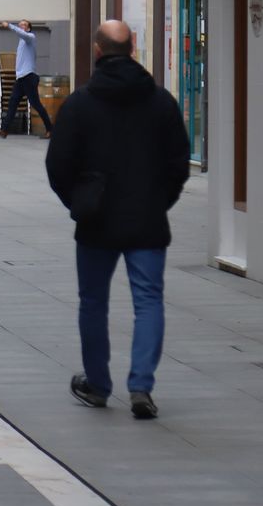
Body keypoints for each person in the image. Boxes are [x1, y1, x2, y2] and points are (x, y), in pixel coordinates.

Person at [45, 21, 190, 421]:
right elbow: (180, 162)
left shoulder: (79, 104)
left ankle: (97, 384)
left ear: (97, 51)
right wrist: (161, 200)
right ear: (134, 48)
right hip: (147, 220)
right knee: (149, 302)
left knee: (93, 303)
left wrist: (78, 201)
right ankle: (141, 386)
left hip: (96, 221)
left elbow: (58, 165)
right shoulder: (161, 102)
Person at [0, 19, 53, 138]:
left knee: (36, 104)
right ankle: (4, 130)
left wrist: (9, 25)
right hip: (21, 78)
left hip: (29, 77)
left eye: (24, 24)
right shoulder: (22, 42)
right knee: (12, 104)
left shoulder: (30, 37)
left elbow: (22, 33)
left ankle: (50, 129)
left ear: (29, 28)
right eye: (20, 24)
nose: (21, 26)